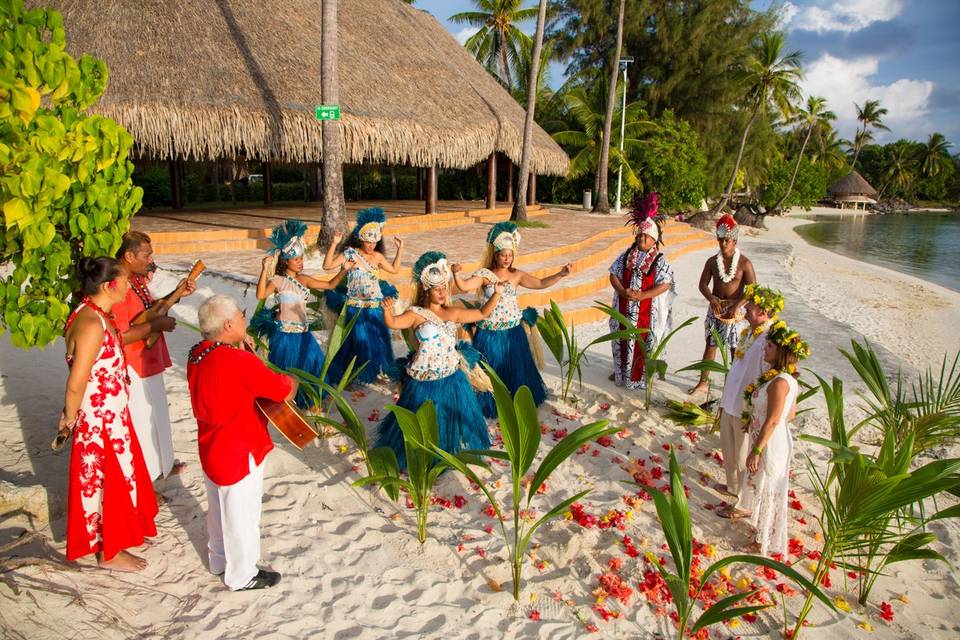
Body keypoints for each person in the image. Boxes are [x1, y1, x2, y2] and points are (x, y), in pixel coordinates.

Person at [187, 295, 299, 591]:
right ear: (228, 325)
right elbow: (280, 389)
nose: (244, 321)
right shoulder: (236, 360)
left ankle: (219, 560)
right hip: (239, 446)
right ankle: (242, 574)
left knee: (218, 507)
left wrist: (240, 346)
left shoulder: (198, 353)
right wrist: (293, 382)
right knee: (242, 514)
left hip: (212, 444)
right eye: (240, 317)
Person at [60, 257, 158, 571]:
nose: (129, 286)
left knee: (114, 482)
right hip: (99, 421)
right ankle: (109, 552)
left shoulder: (94, 313)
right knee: (107, 485)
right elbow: (77, 382)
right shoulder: (90, 323)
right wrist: (70, 417)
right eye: (125, 281)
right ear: (108, 286)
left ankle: (112, 544)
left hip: (110, 415)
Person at [374, 251, 504, 469]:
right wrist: (387, 311)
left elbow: (481, 314)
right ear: (426, 288)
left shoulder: (453, 312)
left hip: (451, 376)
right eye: (437, 288)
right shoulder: (416, 314)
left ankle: (447, 450)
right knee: (426, 421)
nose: (443, 292)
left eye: (445, 287)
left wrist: (497, 294)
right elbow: (394, 324)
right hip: (424, 380)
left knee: (448, 419)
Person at [452, 221, 570, 418]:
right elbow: (464, 286)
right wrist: (456, 274)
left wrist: (561, 274)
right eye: (502, 254)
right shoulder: (485, 275)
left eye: (510, 254)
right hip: (489, 332)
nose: (506, 258)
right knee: (491, 370)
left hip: (513, 332)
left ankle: (517, 402)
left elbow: (540, 283)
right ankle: (493, 403)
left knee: (517, 369)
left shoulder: (516, 275)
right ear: (495, 255)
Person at [720, 321, 810, 558]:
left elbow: (774, 420)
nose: (764, 350)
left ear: (780, 352)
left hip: (770, 442)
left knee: (769, 487)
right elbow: (789, 415)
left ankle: (763, 543)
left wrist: (757, 449)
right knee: (761, 485)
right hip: (768, 437)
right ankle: (759, 533)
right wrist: (755, 420)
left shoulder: (779, 382)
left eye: (769, 347)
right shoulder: (782, 379)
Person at [113, 231, 196, 482]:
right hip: (132, 366)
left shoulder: (135, 280)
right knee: (139, 423)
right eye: (146, 255)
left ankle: (159, 466)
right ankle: (142, 482)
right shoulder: (117, 286)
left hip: (147, 359)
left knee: (156, 416)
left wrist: (177, 294)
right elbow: (119, 335)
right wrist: (156, 325)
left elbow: (148, 311)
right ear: (129, 256)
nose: (151, 260)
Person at [252, 219, 354, 409]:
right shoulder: (278, 281)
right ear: (285, 261)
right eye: (296, 259)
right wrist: (264, 269)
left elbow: (330, 285)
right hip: (284, 336)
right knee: (287, 370)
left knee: (310, 369)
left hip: (303, 334)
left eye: (301, 259)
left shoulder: (305, 280)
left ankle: (309, 401)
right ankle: (289, 402)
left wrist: (343, 270)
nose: (300, 263)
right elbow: (260, 295)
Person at [715, 284, 784, 504]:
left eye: (751, 307)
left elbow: (771, 377)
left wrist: (756, 411)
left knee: (743, 455)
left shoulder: (770, 340)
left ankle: (743, 500)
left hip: (747, 408)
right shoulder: (748, 333)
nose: (745, 310)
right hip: (730, 401)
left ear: (764, 312)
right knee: (729, 449)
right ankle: (733, 487)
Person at [322, 207, 402, 385]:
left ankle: (374, 373)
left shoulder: (378, 257)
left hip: (373, 306)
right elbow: (327, 266)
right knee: (355, 342)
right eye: (367, 242)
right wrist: (334, 244)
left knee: (376, 341)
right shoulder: (350, 253)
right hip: (355, 306)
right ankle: (353, 375)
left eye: (374, 242)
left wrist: (400, 250)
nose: (371, 245)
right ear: (360, 238)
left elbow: (395, 270)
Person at [608, 193, 676, 391]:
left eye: (645, 236)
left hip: (647, 312)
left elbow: (666, 284)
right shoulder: (626, 255)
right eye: (639, 235)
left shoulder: (660, 260)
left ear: (654, 240)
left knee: (643, 342)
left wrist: (643, 296)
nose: (641, 238)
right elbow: (613, 274)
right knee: (622, 339)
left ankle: (638, 378)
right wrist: (622, 291)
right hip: (624, 308)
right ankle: (622, 373)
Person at [688, 214, 756, 395]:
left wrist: (736, 306)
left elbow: (752, 290)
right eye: (720, 240)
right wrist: (712, 299)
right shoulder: (712, 262)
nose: (723, 243)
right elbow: (703, 285)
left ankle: (733, 386)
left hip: (736, 311)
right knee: (711, 345)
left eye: (727, 240)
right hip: (716, 309)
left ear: (734, 241)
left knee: (735, 349)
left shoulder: (744, 263)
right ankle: (703, 382)